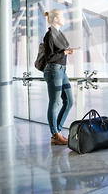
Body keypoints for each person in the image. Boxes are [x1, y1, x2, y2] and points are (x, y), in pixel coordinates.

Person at [43, 9, 76, 145]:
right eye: (62, 16)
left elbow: (62, 50)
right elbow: (49, 57)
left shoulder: (59, 34)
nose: (64, 19)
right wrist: (65, 52)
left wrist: (67, 51)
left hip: (62, 70)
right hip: (54, 70)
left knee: (69, 101)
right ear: (55, 19)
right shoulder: (49, 35)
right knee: (55, 102)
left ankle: (57, 132)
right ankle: (55, 134)